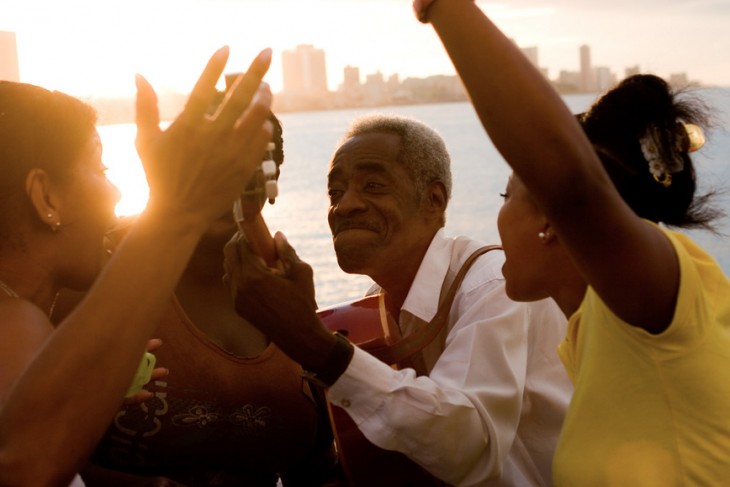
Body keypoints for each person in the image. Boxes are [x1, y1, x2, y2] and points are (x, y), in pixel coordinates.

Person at [412, 0, 730, 484]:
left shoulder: (661, 295)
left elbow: (571, 183)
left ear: (554, 219)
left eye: (508, 194)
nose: (497, 215)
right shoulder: (592, 331)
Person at [223, 113, 573, 486]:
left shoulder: (490, 284)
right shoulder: (375, 308)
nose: (345, 206)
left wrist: (315, 344)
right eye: (335, 192)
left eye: (372, 185)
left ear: (433, 200)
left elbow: (472, 446)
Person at [0, 46, 273, 486]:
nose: (117, 193)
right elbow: (21, 467)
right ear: (46, 198)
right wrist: (179, 211)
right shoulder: (14, 323)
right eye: (100, 166)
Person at [63, 113, 337, 487]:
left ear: (271, 180)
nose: (223, 185)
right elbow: (30, 451)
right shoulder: (99, 268)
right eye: (204, 165)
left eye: (243, 167)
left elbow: (314, 462)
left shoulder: (285, 284)